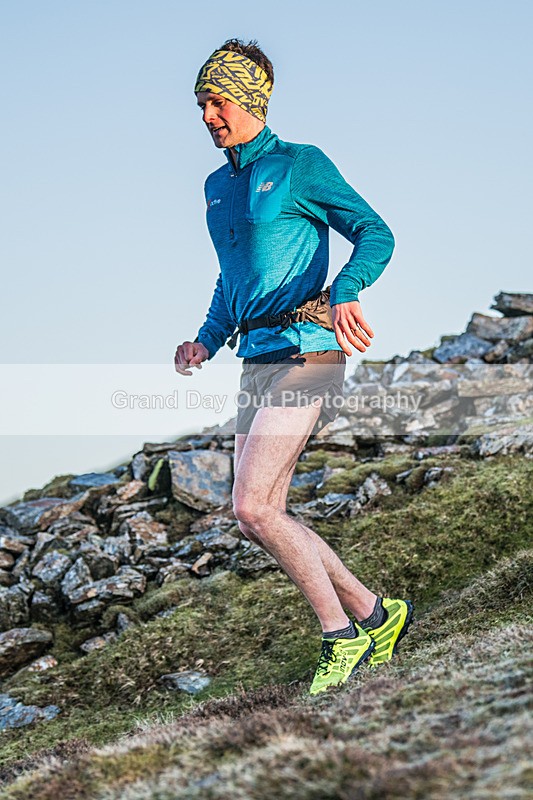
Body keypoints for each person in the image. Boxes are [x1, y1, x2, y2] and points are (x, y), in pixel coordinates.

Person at [174, 39, 413, 695]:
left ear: (248, 99)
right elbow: (233, 278)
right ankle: (377, 613)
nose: (206, 116)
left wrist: (345, 290)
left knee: (250, 507)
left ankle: (341, 640)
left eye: (216, 101)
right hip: (254, 359)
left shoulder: (299, 165)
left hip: (309, 348)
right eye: (200, 103)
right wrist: (204, 339)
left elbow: (374, 231)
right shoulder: (216, 187)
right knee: (263, 510)